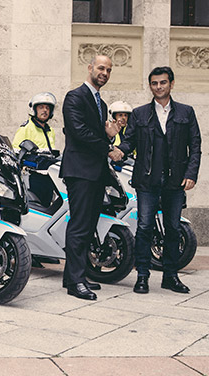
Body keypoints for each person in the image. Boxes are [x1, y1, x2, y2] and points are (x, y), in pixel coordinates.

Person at [111, 67, 201, 295]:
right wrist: (117, 150)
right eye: (154, 83)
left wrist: (191, 174)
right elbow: (128, 142)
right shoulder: (140, 114)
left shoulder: (186, 112)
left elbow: (196, 146)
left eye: (162, 83)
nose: (158, 87)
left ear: (171, 84)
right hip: (147, 181)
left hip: (175, 181)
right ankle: (142, 276)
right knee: (144, 227)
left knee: (172, 228)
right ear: (150, 86)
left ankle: (170, 276)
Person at [60, 55, 121, 300]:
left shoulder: (102, 104)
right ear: (89, 68)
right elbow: (80, 132)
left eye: (108, 69)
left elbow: (96, 135)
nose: (104, 73)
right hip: (80, 171)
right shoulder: (75, 97)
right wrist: (109, 148)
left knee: (87, 227)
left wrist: (110, 135)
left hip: (96, 173)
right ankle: (76, 282)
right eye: (100, 68)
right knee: (79, 226)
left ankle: (75, 275)